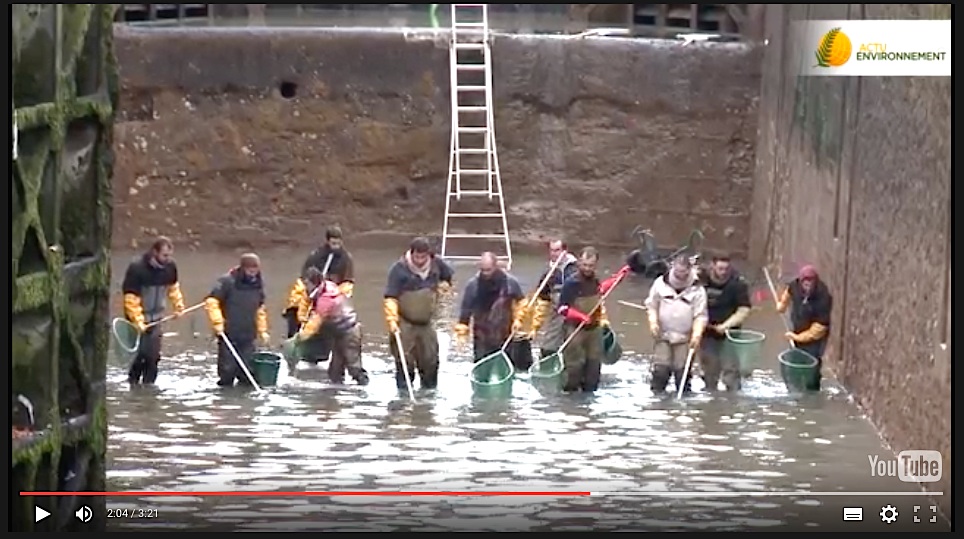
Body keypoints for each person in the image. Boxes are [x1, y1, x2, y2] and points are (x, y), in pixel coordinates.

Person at [383, 237, 455, 391]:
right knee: (404, 361)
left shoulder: (437, 264)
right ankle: (403, 395)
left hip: (426, 323)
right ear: (411, 253)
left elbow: (448, 277)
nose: (420, 260)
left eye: (424, 257)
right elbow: (390, 297)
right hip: (405, 322)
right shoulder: (399, 269)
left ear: (429, 255)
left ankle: (429, 395)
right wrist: (392, 320)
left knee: (431, 360)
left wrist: (444, 287)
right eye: (417, 257)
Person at [121, 236, 186, 385]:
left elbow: (173, 289)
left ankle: (149, 387)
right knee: (141, 355)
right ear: (154, 252)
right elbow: (131, 299)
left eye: (169, 255)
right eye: (164, 255)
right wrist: (138, 320)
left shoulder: (170, 267)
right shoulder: (137, 268)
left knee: (154, 356)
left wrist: (178, 306)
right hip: (137, 318)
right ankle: (133, 383)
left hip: (157, 318)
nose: (167, 259)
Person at [289, 270, 369, 385]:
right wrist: (302, 318)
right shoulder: (326, 286)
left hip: (349, 332)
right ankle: (335, 397)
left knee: (354, 367)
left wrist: (300, 337)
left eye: (307, 284)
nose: (305, 287)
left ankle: (364, 390)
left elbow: (315, 323)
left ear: (314, 283)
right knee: (334, 372)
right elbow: (307, 301)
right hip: (338, 333)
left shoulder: (326, 299)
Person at [644, 254, 708, 395]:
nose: (680, 276)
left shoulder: (698, 290)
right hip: (663, 335)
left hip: (684, 338)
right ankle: (658, 400)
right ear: (673, 267)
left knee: (682, 373)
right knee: (661, 371)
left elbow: (700, 315)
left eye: (683, 273)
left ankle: (683, 403)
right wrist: (653, 322)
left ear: (689, 270)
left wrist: (697, 335)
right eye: (677, 272)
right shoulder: (660, 283)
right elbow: (651, 305)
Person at [204, 253, 270, 388]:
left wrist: (262, 330)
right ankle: (225, 401)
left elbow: (260, 309)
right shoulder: (227, 282)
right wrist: (218, 324)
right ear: (243, 268)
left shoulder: (258, 284)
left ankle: (243, 404)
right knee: (227, 372)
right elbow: (212, 302)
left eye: (255, 271)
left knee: (247, 373)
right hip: (228, 333)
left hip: (248, 334)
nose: (253, 274)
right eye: (250, 271)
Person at [555, 247, 611, 393]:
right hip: (575, 330)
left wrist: (618, 277)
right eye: (584, 265)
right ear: (579, 263)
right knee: (574, 369)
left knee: (593, 369)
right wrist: (579, 316)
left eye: (591, 266)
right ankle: (570, 400)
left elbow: (601, 293)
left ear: (596, 265)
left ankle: (589, 398)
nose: (587, 268)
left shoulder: (596, 281)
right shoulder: (571, 283)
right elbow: (562, 309)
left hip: (594, 330)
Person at [454, 252, 527, 364]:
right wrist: (461, 336)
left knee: (505, 367)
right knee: (482, 370)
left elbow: (522, 303)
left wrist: (518, 319)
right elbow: (465, 313)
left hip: (505, 337)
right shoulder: (473, 285)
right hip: (482, 339)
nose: (485, 273)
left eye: (488, 270)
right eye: (482, 270)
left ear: (495, 266)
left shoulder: (510, 283)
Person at [698, 255, 752, 391]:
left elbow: (744, 310)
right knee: (709, 372)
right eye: (720, 268)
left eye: (726, 269)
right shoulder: (701, 281)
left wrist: (725, 326)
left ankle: (732, 402)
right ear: (713, 266)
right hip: (706, 333)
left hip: (730, 334)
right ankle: (711, 401)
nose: (723, 272)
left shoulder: (738, 283)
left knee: (731, 372)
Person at [776, 265, 833, 391]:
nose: (807, 285)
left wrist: (797, 337)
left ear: (815, 281)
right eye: (805, 282)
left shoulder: (823, 297)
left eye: (810, 282)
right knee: (796, 362)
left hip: (815, 339)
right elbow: (788, 293)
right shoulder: (795, 286)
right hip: (797, 328)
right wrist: (782, 305)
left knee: (812, 367)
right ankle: (796, 389)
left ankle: (812, 392)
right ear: (801, 281)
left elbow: (819, 328)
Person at [528, 240, 578, 359]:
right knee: (547, 349)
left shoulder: (576, 269)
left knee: (573, 348)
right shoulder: (548, 274)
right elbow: (542, 298)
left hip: (576, 315)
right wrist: (535, 325)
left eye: (557, 250)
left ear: (565, 251)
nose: (554, 254)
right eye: (552, 250)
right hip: (556, 315)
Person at [302, 226, 355, 297]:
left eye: (338, 243)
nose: (336, 246)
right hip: (317, 289)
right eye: (333, 243)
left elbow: (348, 281)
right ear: (327, 241)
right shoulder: (316, 254)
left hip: (336, 292)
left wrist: (337, 291)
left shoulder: (346, 258)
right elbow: (305, 274)